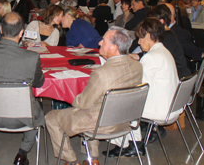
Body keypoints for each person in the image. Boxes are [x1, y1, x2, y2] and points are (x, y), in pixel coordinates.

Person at [46, 27, 143, 165]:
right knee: (95, 106)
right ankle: (93, 159)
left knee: (51, 117)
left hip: (102, 124)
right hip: (126, 121)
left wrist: (70, 96)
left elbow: (83, 103)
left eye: (103, 41)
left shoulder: (102, 73)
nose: (99, 43)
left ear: (114, 47)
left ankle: (71, 161)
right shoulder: (137, 66)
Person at [0, 12, 45, 165]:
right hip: (21, 118)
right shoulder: (31, 58)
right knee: (37, 110)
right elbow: (39, 83)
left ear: (0, 30)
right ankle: (22, 154)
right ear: (21, 33)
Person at [106, 18, 180, 157]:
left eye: (140, 38)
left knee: (117, 103)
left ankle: (129, 144)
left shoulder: (151, 57)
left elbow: (138, 88)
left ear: (149, 36)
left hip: (161, 110)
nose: (139, 42)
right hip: (172, 105)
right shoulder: (164, 52)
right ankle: (131, 143)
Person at [146, 5, 191, 79]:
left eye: (151, 21)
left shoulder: (167, 37)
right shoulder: (168, 34)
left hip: (176, 76)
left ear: (161, 21)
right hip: (175, 74)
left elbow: (157, 57)